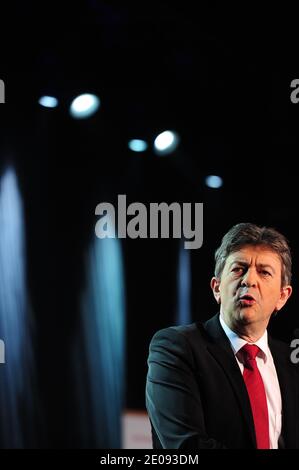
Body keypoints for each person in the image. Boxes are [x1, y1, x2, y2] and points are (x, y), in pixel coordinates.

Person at [146, 223, 299, 449]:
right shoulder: (175, 348)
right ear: (217, 287)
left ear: (282, 296)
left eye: (264, 272)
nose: (249, 280)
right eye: (239, 269)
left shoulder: (292, 363)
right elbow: (187, 447)